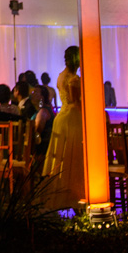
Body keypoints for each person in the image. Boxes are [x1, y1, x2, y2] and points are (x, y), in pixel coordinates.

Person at [42, 45, 84, 211]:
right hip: (73, 118)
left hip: (61, 118)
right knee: (74, 156)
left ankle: (61, 194)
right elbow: (76, 101)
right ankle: (75, 194)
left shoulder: (61, 76)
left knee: (61, 156)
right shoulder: (73, 79)